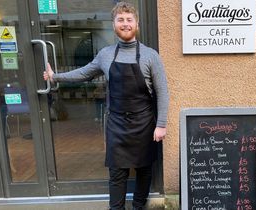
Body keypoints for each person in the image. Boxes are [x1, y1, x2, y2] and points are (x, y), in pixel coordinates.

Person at [43, 2, 169, 210]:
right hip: (117, 124)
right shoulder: (105, 54)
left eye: (129, 20)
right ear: (114, 24)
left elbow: (163, 91)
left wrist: (161, 124)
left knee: (144, 169)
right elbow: (83, 73)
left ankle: (138, 206)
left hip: (144, 123)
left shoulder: (150, 56)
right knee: (117, 173)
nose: (125, 24)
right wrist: (55, 77)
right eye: (121, 20)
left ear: (136, 24)